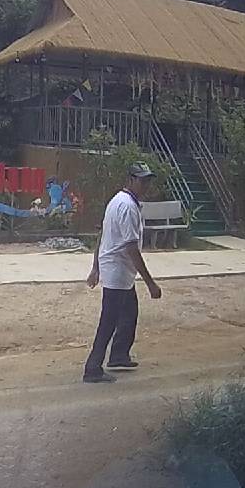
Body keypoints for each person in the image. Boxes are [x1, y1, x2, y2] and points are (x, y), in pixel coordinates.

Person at [83, 162, 162, 384]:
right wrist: (150, 283)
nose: (145, 185)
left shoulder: (118, 200)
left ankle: (119, 355)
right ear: (131, 180)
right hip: (118, 270)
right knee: (109, 320)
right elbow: (131, 247)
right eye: (142, 181)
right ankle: (92, 368)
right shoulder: (127, 206)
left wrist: (96, 266)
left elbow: (103, 235)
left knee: (129, 313)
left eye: (147, 181)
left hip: (119, 270)